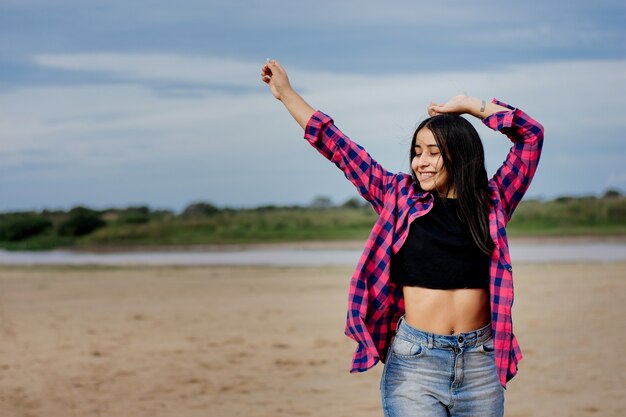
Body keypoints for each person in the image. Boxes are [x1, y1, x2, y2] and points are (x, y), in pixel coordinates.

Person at [261, 59, 544, 417]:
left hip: (480, 363)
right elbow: (339, 148)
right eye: (416, 152)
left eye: (432, 152)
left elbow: (531, 135)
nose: (420, 162)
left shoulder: (493, 202)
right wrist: (287, 94)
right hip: (415, 363)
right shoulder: (397, 196)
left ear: (460, 154)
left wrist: (473, 106)